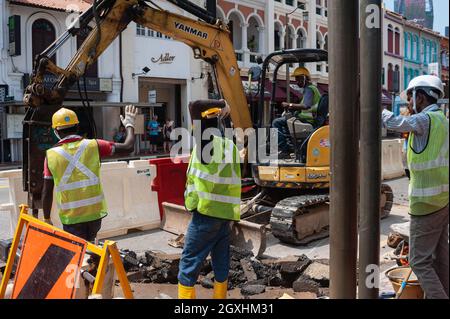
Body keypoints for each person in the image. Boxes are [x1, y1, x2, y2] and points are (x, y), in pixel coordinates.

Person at [381, 75, 448, 299]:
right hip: (442, 200)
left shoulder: (424, 120)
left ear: (420, 96)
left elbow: (392, 122)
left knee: (419, 262)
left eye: (410, 98)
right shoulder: (442, 120)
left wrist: (373, 103)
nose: (409, 103)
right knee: (441, 259)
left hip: (425, 204)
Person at [42, 105, 138, 242]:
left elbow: (47, 191)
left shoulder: (51, 155)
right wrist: (129, 124)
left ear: (56, 131)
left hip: (71, 218)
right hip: (94, 215)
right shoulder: (94, 145)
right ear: (76, 127)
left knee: (78, 252)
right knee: (91, 244)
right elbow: (128, 147)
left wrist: (47, 218)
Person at [178, 99, 241, 300]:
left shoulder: (205, 145)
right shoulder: (230, 145)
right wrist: (227, 113)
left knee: (188, 264)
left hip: (205, 215)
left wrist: (222, 103)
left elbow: (194, 105)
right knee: (221, 261)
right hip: (224, 215)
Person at [272, 67, 322, 159]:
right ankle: (292, 146)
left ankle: (284, 150)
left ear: (304, 78)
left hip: (307, 121)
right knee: (286, 121)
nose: (297, 82)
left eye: (298, 79)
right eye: (296, 79)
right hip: (307, 119)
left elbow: (305, 106)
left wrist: (289, 105)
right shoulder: (311, 89)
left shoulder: (309, 89)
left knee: (276, 122)